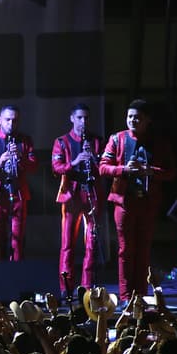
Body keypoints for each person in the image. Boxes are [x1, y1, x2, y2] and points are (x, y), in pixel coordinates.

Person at [99, 99, 176, 301]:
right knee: (125, 249)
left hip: (148, 203)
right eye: (130, 116)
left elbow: (171, 172)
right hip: (124, 202)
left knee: (143, 249)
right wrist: (124, 169)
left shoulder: (159, 143)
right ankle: (125, 297)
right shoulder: (117, 139)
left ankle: (140, 295)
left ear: (148, 120)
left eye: (138, 117)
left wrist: (150, 171)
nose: (133, 120)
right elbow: (102, 167)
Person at [51, 103, 103, 294]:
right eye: (79, 118)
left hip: (91, 194)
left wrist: (93, 158)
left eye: (86, 118)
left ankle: (87, 287)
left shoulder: (96, 141)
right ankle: (66, 288)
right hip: (71, 195)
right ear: (72, 118)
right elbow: (56, 168)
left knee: (91, 242)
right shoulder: (62, 142)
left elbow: (104, 167)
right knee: (68, 244)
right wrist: (74, 162)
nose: (83, 122)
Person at [0, 104, 38, 262]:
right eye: (7, 120)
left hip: (17, 193)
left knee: (17, 240)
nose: (11, 124)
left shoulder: (24, 140)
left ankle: (16, 277)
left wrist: (21, 158)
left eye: (15, 120)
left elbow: (34, 166)